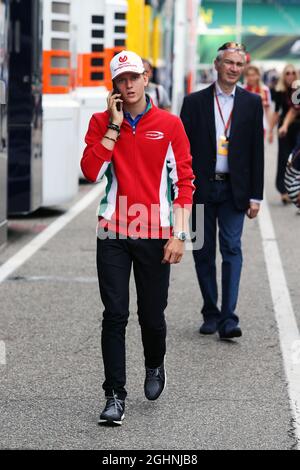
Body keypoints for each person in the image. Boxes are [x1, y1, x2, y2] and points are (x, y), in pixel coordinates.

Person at [81, 50, 194, 425]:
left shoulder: (170, 125)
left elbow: (184, 184)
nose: (128, 85)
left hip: (156, 232)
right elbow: (90, 172)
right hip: (112, 230)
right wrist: (113, 128)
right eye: (120, 80)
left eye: (133, 77)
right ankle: (114, 395)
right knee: (114, 315)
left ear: (146, 78)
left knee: (151, 316)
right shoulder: (100, 122)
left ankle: (154, 363)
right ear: (113, 87)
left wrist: (179, 234)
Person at [180, 42, 264, 339]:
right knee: (202, 252)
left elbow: (257, 152)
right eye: (228, 63)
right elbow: (182, 151)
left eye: (239, 64)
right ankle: (210, 312)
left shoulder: (252, 103)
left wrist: (256, 195)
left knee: (232, 249)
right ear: (216, 65)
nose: (233, 69)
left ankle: (229, 317)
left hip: (234, 191)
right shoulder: (193, 102)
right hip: (200, 189)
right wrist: (180, 193)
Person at [269, 65, 300, 204]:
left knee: (296, 159)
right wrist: (271, 130)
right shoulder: (279, 91)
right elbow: (279, 111)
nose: (290, 75)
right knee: (284, 157)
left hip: (298, 127)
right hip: (285, 128)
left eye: (293, 73)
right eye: (287, 73)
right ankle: (284, 190)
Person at [243, 64, 272, 136]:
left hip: (261, 125)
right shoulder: (242, 90)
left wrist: (270, 130)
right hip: (245, 126)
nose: (250, 78)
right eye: (248, 75)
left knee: (259, 147)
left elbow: (268, 110)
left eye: (253, 75)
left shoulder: (265, 90)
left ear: (258, 76)